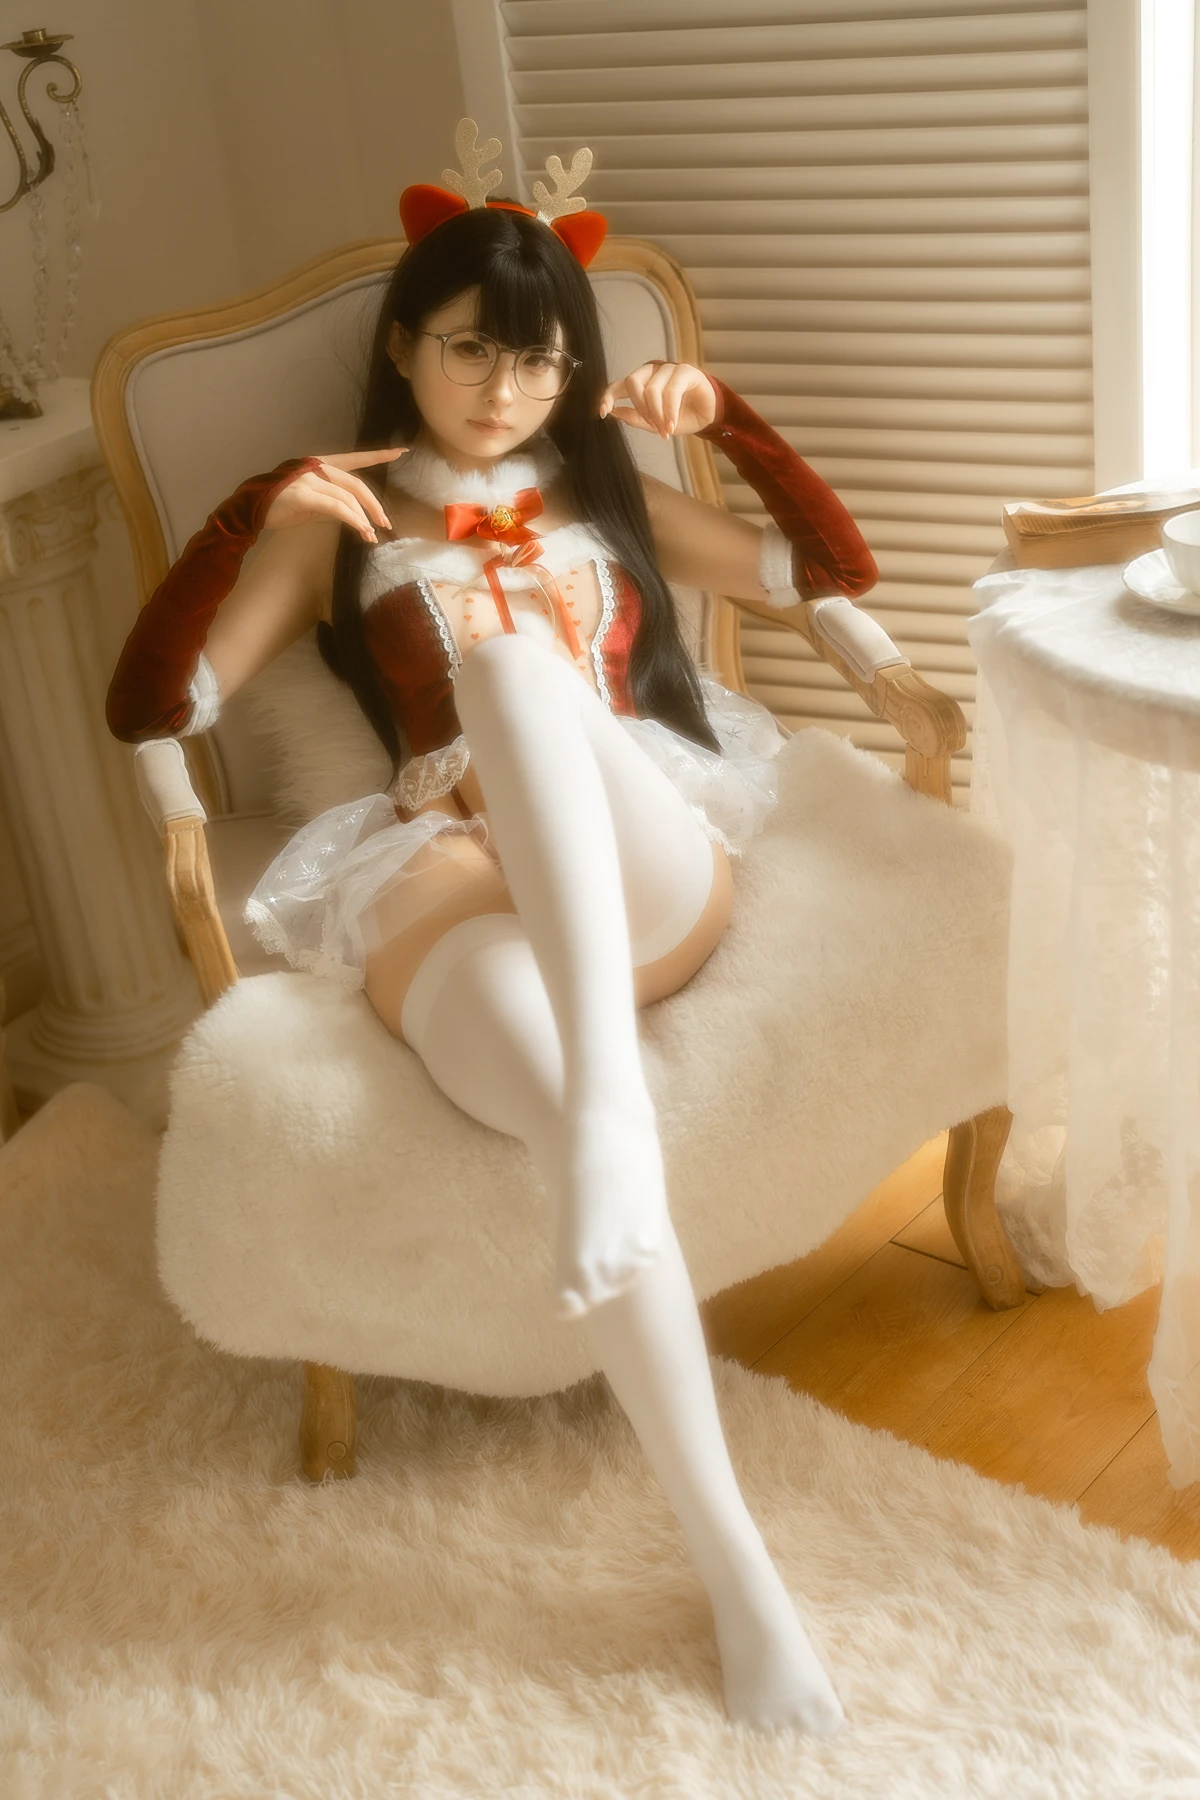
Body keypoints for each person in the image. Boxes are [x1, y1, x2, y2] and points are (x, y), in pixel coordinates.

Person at [105, 121, 878, 1736]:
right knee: (544, 1080)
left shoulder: (603, 491)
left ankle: (608, 1113)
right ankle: (739, 1574)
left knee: (519, 669)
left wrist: (728, 420)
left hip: (641, 864)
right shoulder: (339, 515)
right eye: (470, 350)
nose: (503, 390)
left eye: (536, 362)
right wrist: (248, 513)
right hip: (448, 878)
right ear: (405, 344)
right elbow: (154, 706)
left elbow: (827, 571)